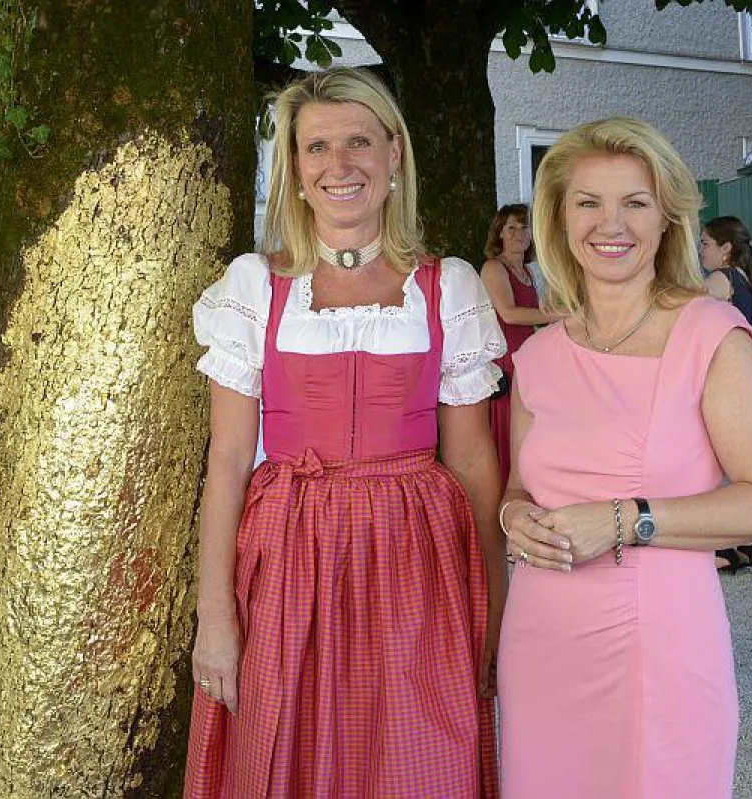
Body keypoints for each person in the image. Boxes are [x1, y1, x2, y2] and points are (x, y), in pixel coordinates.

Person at [185, 67, 506, 798]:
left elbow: (474, 462)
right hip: (287, 558)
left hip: (416, 562)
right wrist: (214, 612)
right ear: (295, 171)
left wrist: (497, 601)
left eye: (359, 141)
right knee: (284, 757)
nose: (340, 164)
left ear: (394, 155)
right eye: (317, 147)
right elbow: (229, 459)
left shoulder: (446, 286)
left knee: (416, 759)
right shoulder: (254, 287)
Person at [498, 117, 752, 798]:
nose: (610, 223)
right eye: (588, 202)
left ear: (667, 215)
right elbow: (517, 490)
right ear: (559, 216)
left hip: (662, 652)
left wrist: (625, 518)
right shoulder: (538, 357)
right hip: (542, 647)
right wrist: (512, 516)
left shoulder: (710, 335)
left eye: (634, 202)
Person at [480, 204, 559, 488]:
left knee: (529, 436)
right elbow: (510, 314)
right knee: (509, 436)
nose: (518, 234)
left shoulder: (526, 269)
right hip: (506, 364)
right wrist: (561, 314)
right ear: (499, 233)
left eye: (524, 227)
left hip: (527, 361)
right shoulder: (494, 267)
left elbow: (535, 318)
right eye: (511, 227)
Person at [699, 216, 752, 573]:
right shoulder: (748, 278)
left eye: (706, 243)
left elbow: (687, 318)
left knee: (718, 466)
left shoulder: (720, 280)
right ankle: (746, 545)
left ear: (726, 249)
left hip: (723, 379)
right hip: (747, 378)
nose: (701, 250)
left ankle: (725, 547)